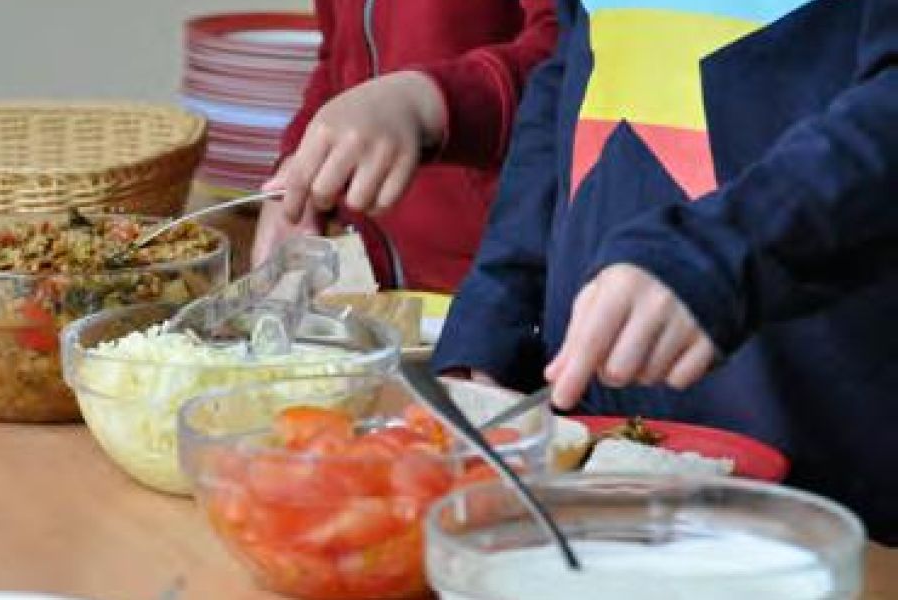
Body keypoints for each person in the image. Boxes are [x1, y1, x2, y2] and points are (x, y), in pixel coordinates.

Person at [434, 0, 898, 544]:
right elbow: (570, 72)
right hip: (597, 464)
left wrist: (722, 249)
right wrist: (496, 318)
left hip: (830, 471)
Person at [250, 0, 558, 293]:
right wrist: (299, 165)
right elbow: (337, 59)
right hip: (385, 283)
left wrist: (427, 100)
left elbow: (572, 55)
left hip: (507, 285)